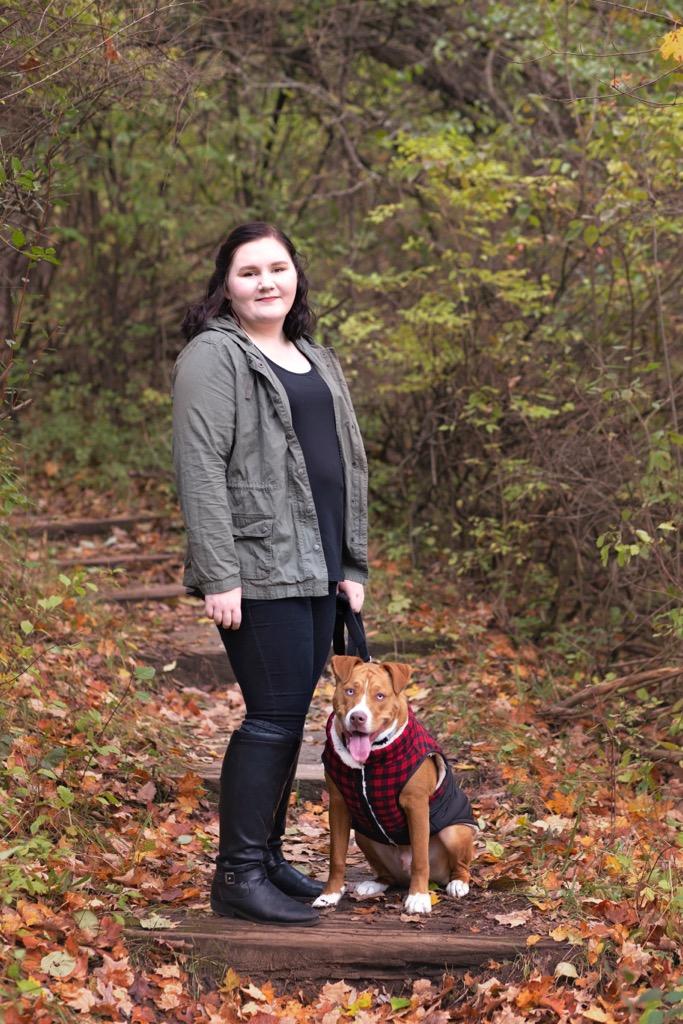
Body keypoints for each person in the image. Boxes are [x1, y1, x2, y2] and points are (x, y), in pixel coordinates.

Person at [172, 222, 368, 926]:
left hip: (315, 566)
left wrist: (349, 563)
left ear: (295, 277)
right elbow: (199, 467)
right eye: (248, 271)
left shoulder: (314, 356)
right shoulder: (213, 357)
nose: (265, 282)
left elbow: (343, 465)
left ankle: (269, 857)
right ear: (225, 284)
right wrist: (220, 572)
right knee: (271, 718)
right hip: (257, 566)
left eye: (277, 268)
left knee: (284, 722)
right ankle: (237, 874)